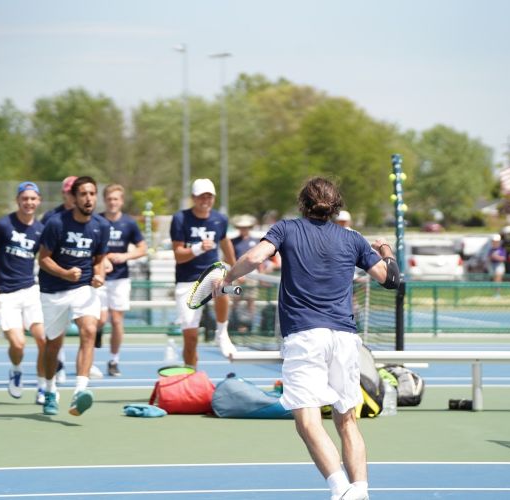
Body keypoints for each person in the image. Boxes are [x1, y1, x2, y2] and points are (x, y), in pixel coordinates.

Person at [213, 177, 400, 500]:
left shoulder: (287, 229)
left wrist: (227, 277)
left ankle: (341, 489)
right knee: (348, 421)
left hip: (305, 336)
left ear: (303, 203)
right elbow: (391, 279)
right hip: (344, 338)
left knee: (308, 420)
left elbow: (256, 258)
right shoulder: (353, 239)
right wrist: (385, 249)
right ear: (336, 205)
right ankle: (361, 492)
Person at [37, 176, 110, 416]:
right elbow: (43, 258)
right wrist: (64, 273)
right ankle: (49, 390)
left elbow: (99, 259)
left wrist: (99, 275)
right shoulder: (56, 223)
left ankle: (80, 391)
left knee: (90, 329)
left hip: (83, 288)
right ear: (74, 198)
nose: (88, 199)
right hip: (54, 290)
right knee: (53, 344)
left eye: (92, 194)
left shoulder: (101, 226)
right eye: (83, 194)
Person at [0, 182, 49, 403]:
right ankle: (16, 370)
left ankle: (41, 386)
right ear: (18, 200)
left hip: (30, 291)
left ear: (38, 201)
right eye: (25, 198)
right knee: (18, 344)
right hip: (6, 295)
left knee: (43, 340)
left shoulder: (41, 230)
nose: (29, 202)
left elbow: (48, 259)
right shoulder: (3, 225)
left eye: (33, 199)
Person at [170, 178, 237, 367]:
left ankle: (222, 332)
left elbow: (225, 242)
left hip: (211, 272)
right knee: (190, 338)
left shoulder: (220, 219)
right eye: (201, 196)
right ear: (193, 198)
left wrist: (236, 269)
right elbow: (178, 255)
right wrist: (198, 248)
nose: (205, 200)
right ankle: (190, 374)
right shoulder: (180, 219)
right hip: (187, 280)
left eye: (209, 196)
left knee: (222, 285)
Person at [97, 184, 147, 376]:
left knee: (117, 321)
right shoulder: (97, 220)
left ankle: (113, 360)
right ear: (105, 201)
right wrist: (103, 260)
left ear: (121, 201)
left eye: (116, 199)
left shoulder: (128, 223)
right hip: (99, 277)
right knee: (99, 320)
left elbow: (142, 248)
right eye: (109, 199)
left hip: (120, 279)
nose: (113, 202)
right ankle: (96, 340)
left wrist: (124, 257)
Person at [40, 175, 78, 382]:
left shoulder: (88, 217)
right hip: (54, 280)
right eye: (69, 192)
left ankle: (85, 366)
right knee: (56, 328)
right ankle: (59, 362)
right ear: (64, 193)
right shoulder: (51, 217)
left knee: (93, 322)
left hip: (79, 280)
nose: (72, 196)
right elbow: (42, 250)